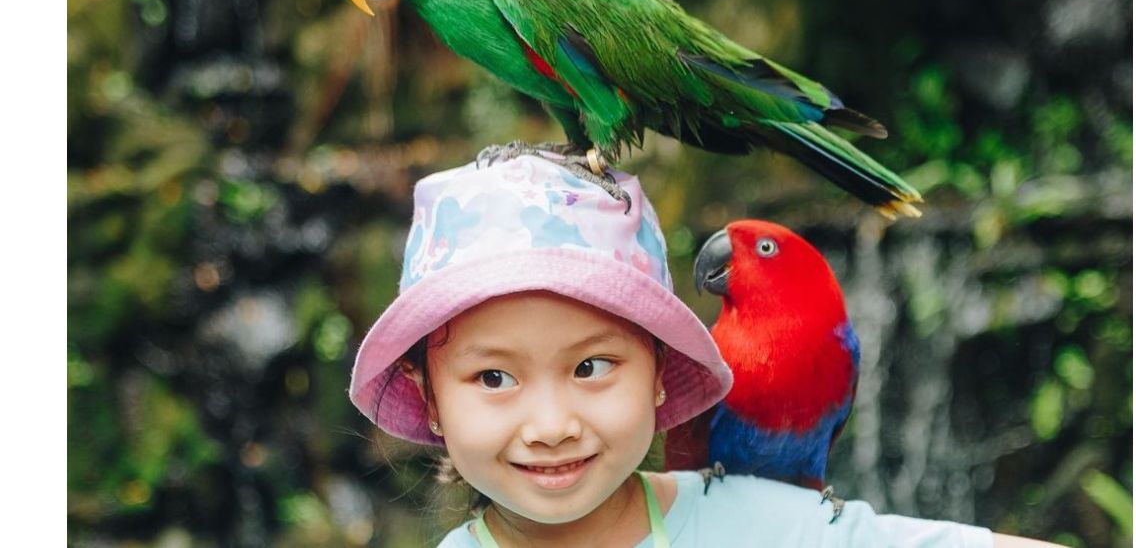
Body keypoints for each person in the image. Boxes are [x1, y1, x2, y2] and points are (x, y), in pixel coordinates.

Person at [348, 155, 1063, 547]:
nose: (551, 423)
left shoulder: (757, 525)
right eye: (495, 376)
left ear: (662, 375)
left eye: (591, 366)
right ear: (429, 397)